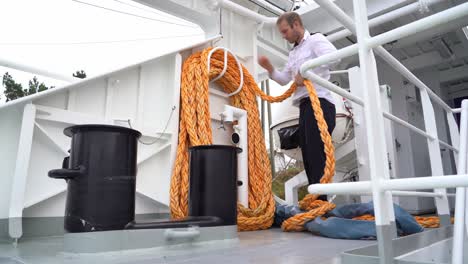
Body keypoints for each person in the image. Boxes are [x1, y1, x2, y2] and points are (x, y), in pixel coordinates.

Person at [258, 12, 339, 200]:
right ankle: (317, 201)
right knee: (309, 154)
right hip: (304, 106)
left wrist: (306, 71)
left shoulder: (316, 40)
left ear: (296, 24)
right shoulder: (293, 53)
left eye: (285, 31)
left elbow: (334, 58)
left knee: (316, 153)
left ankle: (321, 203)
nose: (284, 36)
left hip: (319, 102)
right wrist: (269, 68)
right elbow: (285, 79)